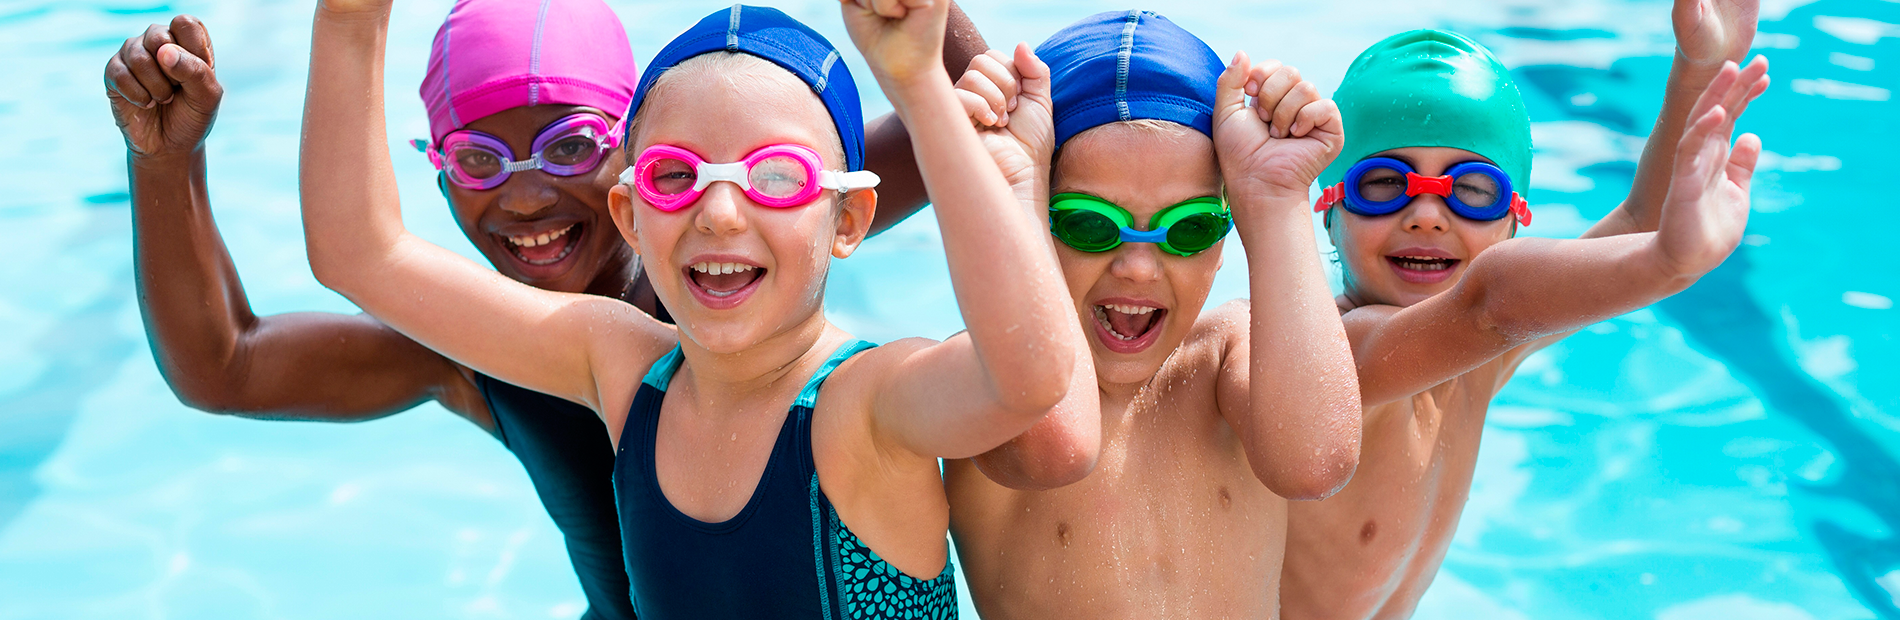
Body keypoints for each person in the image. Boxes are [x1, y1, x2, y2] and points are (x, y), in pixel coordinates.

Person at [101, 1, 988, 617]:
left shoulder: (739, 238)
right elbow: (227, 365)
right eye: (480, 162)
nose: (525, 198)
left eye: (570, 146)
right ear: (439, 175)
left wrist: (913, 32)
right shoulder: (471, 344)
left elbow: (978, 114)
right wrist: (164, 163)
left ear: (639, 159)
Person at [298, 0, 1098, 617]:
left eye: (776, 177)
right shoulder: (620, 365)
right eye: (675, 176)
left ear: (847, 221)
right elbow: (358, 254)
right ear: (630, 217)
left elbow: (1028, 376)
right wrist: (349, 18)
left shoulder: (868, 405)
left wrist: (922, 92)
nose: (719, 212)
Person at [1277, 5, 1770, 618]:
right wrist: (1664, 262)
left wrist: (1700, 65)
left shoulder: (1477, 358)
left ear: (1514, 219)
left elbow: (1639, 225)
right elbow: (1489, 304)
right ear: (1329, 208)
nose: (1427, 215)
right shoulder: (1327, 360)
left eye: (1472, 191)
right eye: (1382, 183)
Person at [941, 11, 1363, 618]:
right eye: (1089, 223)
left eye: (1189, 228)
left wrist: (1275, 200)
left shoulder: (1226, 359)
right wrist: (1013, 191)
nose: (1139, 268)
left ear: (1225, 241)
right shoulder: (984, 374)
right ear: (1034, 222)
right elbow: (1054, 448)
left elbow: (1315, 463)